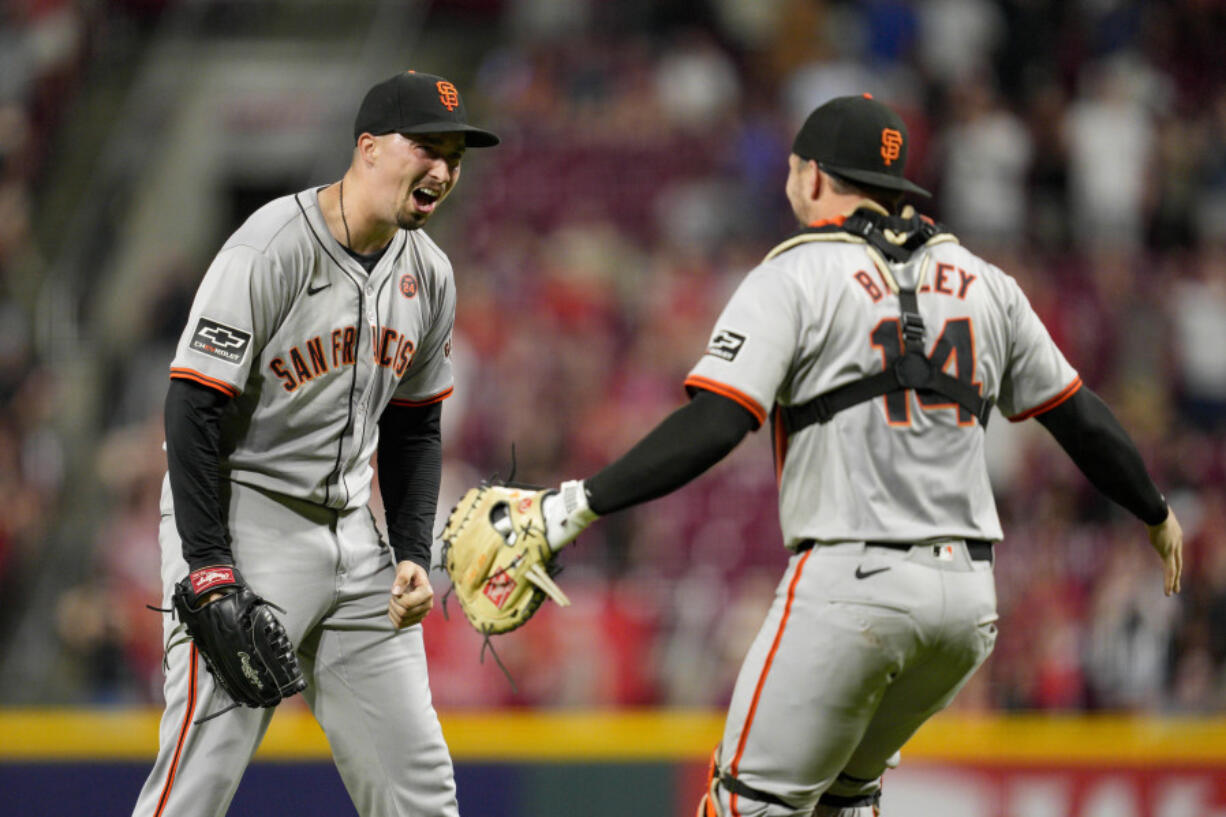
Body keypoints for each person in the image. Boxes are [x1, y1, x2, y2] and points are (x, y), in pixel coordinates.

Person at [535, 94, 1183, 816]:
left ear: (812, 176)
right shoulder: (987, 282)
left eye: (792, 171)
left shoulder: (797, 272)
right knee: (845, 797)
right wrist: (1154, 512)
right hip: (966, 604)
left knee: (745, 802)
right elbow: (1081, 418)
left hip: (852, 581)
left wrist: (573, 504)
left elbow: (717, 424)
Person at [131, 70, 499, 817]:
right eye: (427, 147)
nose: (444, 170)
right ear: (367, 148)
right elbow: (193, 405)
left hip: (354, 532)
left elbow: (415, 422)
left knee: (419, 783)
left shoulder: (428, 273)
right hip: (247, 517)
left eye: (455, 156)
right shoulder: (272, 245)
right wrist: (207, 566)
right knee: (200, 773)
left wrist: (409, 551)